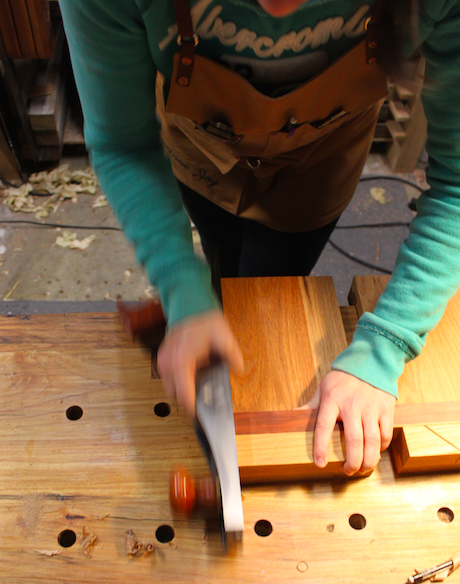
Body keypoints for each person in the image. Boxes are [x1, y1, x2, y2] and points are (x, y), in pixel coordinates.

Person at [59, 0, 460, 476]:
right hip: (205, 158)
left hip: (322, 164)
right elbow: (124, 145)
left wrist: (385, 346)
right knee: (225, 265)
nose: (277, 7)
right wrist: (182, 287)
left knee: (273, 284)